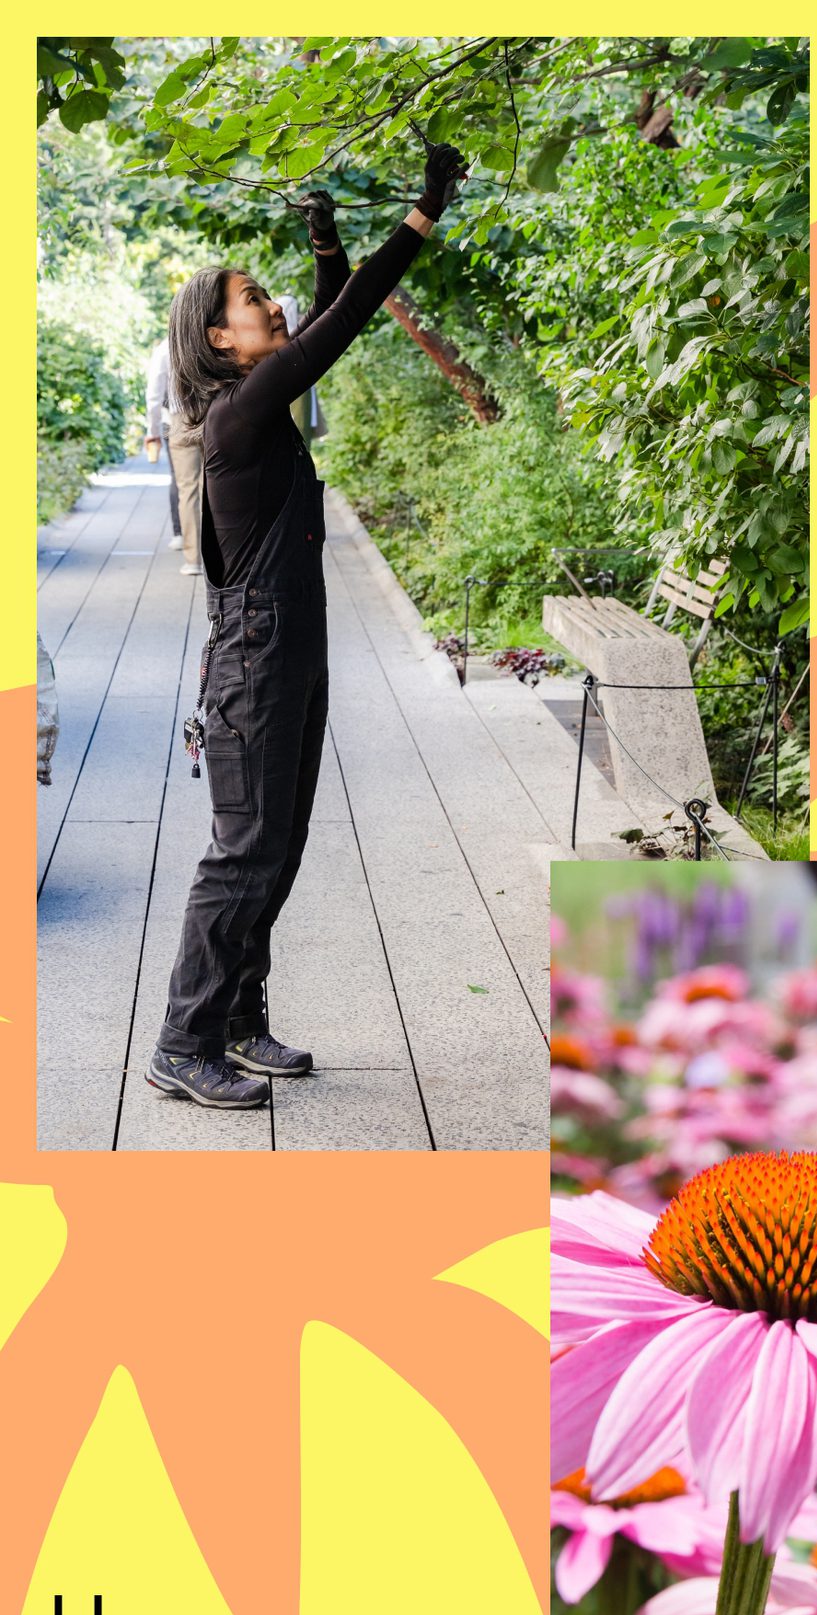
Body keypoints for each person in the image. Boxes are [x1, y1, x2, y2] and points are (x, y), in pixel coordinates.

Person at [145, 141, 469, 1109]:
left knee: (277, 845)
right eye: (254, 302)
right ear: (216, 339)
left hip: (287, 645)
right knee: (242, 850)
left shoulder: (252, 400)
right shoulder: (238, 417)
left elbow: (324, 316)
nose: (273, 308)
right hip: (255, 652)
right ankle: (181, 1040)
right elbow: (348, 321)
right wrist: (422, 211)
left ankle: (240, 1021)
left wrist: (325, 242)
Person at [145, 335, 204, 575]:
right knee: (215, 484)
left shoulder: (164, 349)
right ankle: (223, 556)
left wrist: (153, 431)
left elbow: (154, 397)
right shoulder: (207, 338)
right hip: (213, 415)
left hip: (180, 419)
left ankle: (193, 560)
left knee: (187, 489)